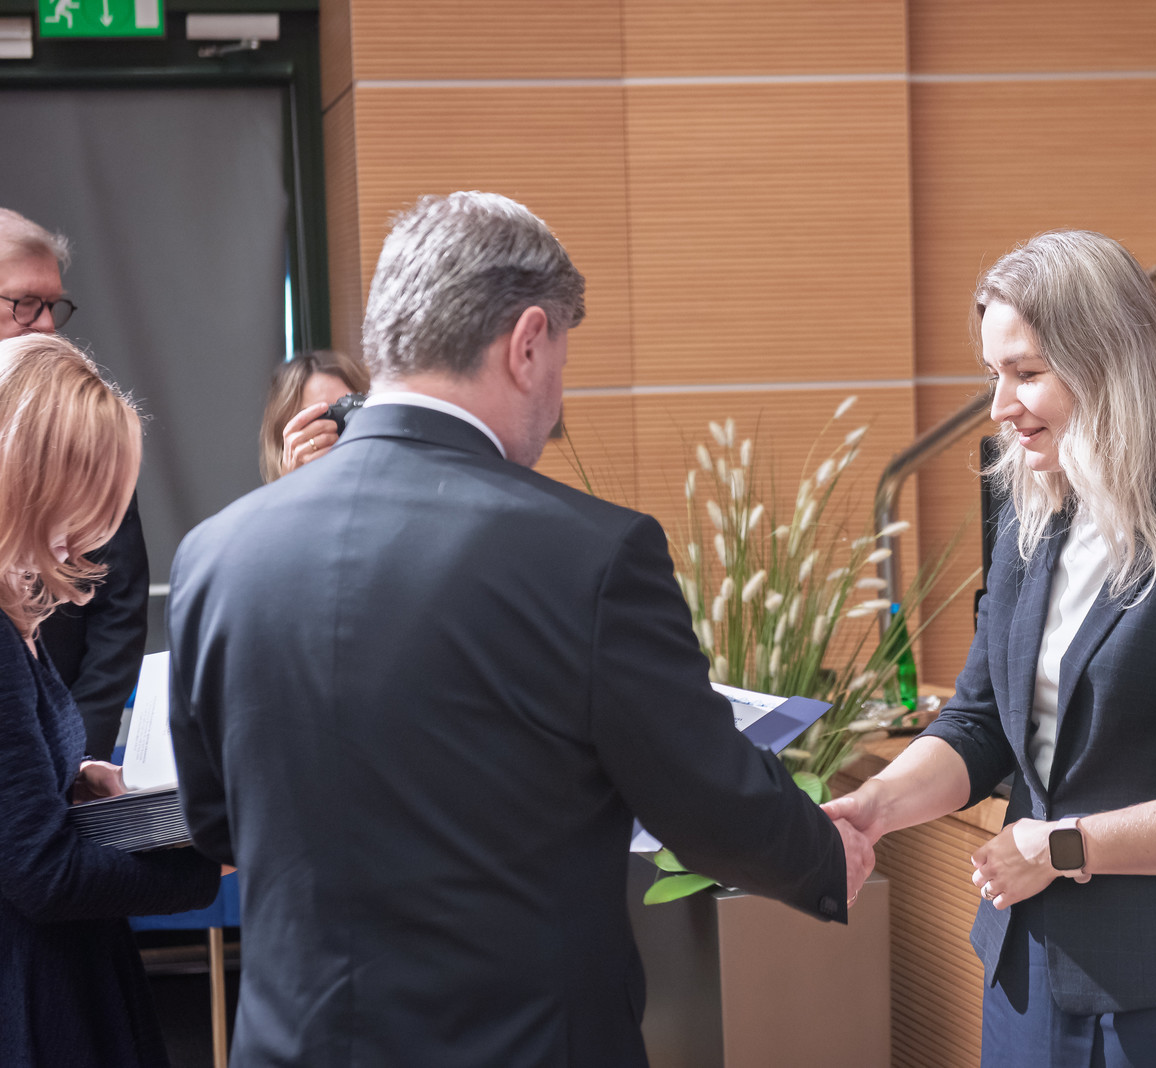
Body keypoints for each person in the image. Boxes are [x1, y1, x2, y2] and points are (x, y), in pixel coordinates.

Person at [166, 191, 871, 1067]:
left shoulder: (215, 553)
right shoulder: (592, 553)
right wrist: (823, 856)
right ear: (529, 341)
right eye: (563, 359)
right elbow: (704, 796)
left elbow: (216, 822)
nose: (559, 395)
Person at [824, 230, 1156, 1067]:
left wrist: (1063, 847)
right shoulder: (1032, 518)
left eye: (1026, 373)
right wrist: (878, 806)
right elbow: (979, 724)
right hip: (1025, 968)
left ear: (1109, 366)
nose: (1000, 406)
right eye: (994, 374)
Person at [0, 333, 221, 1068]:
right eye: (84, 500)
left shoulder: (16, 612)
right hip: (34, 988)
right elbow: (42, 874)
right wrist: (206, 870)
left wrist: (70, 779)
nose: (94, 532)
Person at [0, 207, 149, 759]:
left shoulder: (81, 423)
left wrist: (77, 754)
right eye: (25, 303)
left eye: (53, 305)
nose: (45, 323)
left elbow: (117, 599)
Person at [258, 348, 371, 481]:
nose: (335, 429)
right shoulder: (281, 494)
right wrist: (292, 482)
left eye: (347, 411)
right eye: (323, 416)